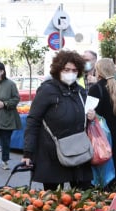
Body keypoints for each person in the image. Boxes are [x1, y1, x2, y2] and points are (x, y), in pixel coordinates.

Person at [21, 50, 95, 191]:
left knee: (84, 198)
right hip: (51, 154)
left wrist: (91, 116)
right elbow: (33, 121)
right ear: (58, 69)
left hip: (78, 152)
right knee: (53, 201)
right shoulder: (47, 90)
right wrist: (28, 153)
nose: (70, 73)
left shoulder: (80, 91)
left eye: (74, 70)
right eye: (66, 69)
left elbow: (83, 117)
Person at [88, 58, 116, 187]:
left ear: (98, 71)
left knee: (105, 178)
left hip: (102, 140)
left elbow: (89, 115)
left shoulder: (95, 89)